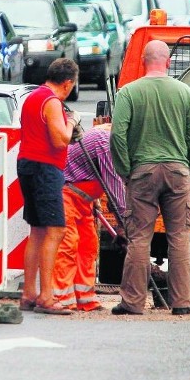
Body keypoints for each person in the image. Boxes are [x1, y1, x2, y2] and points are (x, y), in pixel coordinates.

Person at [109, 40, 190, 316]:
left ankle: (133, 303)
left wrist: (125, 169)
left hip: (142, 172)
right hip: (178, 172)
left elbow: (117, 135)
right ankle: (181, 303)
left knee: (139, 238)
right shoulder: (184, 92)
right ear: (168, 62)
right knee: (180, 238)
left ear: (143, 61)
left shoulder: (129, 93)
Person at [17, 58, 80, 315]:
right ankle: (46, 295)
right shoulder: (53, 102)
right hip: (46, 168)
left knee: (38, 231)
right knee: (55, 230)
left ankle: (29, 292)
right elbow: (60, 139)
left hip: (27, 164)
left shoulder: (33, 96)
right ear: (67, 83)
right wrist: (72, 122)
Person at [52, 124, 126, 312]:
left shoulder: (113, 137)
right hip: (66, 193)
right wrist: (124, 224)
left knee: (88, 247)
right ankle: (62, 297)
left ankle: (85, 299)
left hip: (85, 200)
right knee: (68, 245)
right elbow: (114, 184)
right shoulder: (106, 142)